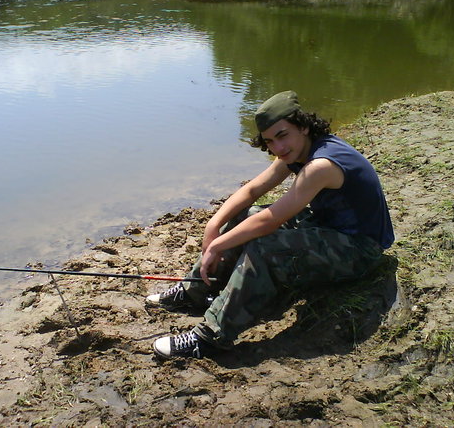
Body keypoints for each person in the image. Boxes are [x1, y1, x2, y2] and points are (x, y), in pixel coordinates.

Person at [147, 90, 394, 359]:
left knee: (265, 248)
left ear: (303, 126)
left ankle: (209, 338)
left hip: (360, 249)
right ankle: (193, 291)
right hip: (328, 227)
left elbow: (271, 220)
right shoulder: (298, 151)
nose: (278, 147)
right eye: (269, 141)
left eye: (282, 135)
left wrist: (216, 246)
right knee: (246, 215)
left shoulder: (321, 165)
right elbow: (252, 190)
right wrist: (213, 226)